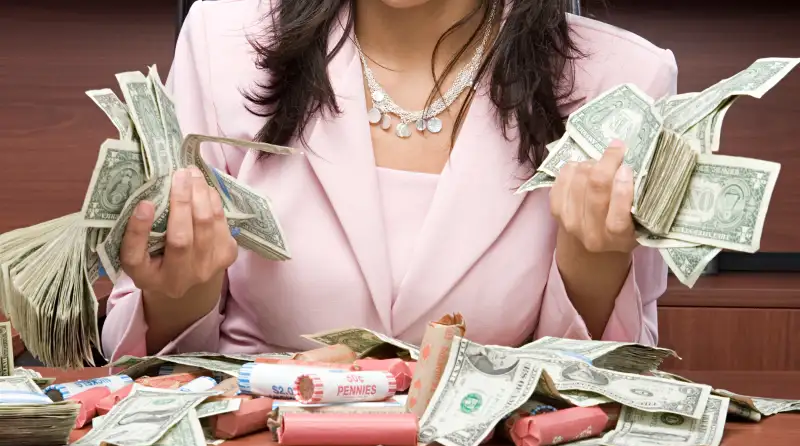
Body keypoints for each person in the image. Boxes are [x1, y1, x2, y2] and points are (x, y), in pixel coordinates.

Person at [101, 0, 676, 362]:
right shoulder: (221, 40)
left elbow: (610, 389)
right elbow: (150, 360)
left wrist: (592, 265)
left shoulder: (623, 80)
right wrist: (180, 292)